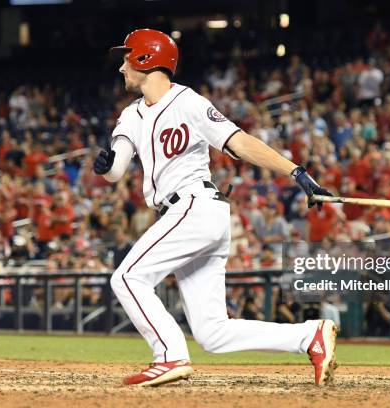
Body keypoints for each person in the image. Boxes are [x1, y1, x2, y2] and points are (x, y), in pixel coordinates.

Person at [93, 29, 337, 387]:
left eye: (128, 57)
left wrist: (296, 172)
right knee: (212, 332)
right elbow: (116, 171)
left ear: (147, 60)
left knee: (127, 277)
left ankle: (169, 356)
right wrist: (107, 166)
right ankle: (308, 336)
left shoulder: (188, 102)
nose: (121, 67)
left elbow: (239, 142)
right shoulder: (131, 115)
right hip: (189, 216)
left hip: (194, 207)